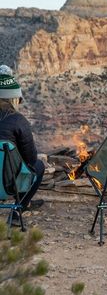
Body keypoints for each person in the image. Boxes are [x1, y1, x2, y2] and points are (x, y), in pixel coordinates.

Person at [0, 68, 45, 226]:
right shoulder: (18, 121)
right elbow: (31, 159)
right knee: (38, 166)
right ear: (13, 99)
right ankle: (16, 212)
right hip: (8, 182)